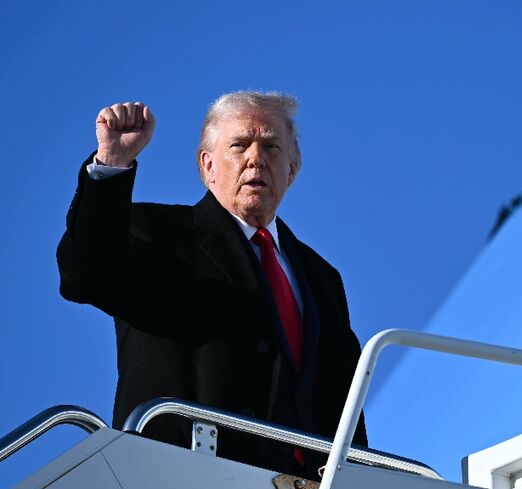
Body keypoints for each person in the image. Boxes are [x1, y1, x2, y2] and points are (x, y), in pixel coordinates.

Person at [57, 92, 367, 479]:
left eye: (271, 146)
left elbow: (341, 393)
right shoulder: (158, 234)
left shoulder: (321, 276)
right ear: (208, 166)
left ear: (292, 168)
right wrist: (112, 165)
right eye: (239, 145)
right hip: (184, 475)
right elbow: (85, 275)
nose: (256, 158)